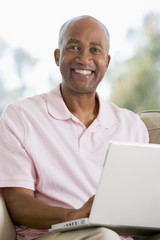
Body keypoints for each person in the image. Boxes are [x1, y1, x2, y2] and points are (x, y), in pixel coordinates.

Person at [0, 15, 158, 240]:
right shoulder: (21, 116)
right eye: (74, 47)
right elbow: (17, 203)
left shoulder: (131, 125)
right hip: (51, 235)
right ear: (57, 56)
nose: (84, 59)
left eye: (95, 50)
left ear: (107, 61)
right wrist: (72, 215)